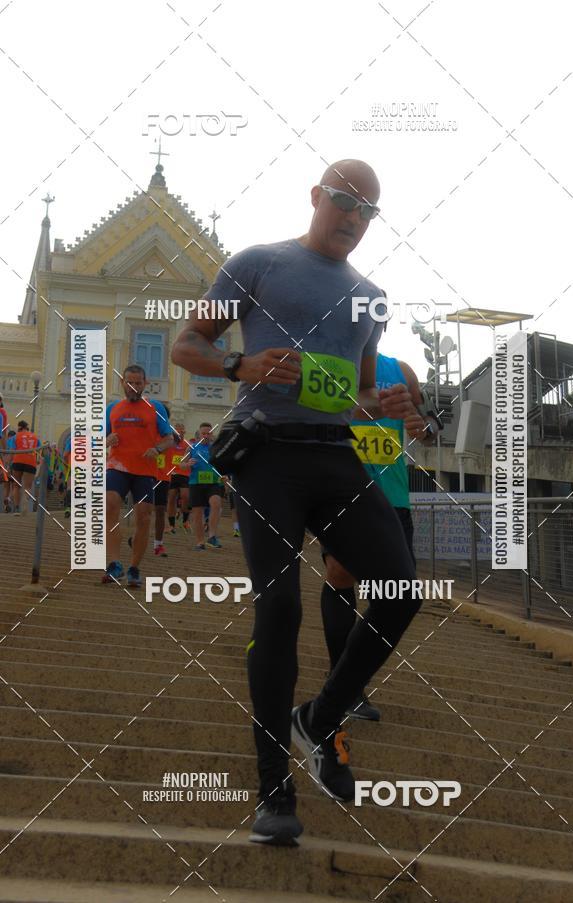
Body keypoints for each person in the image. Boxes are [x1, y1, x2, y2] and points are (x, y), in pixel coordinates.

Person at [172, 159, 427, 846]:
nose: (353, 216)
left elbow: (360, 395)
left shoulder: (371, 296)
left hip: (338, 457)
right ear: (316, 196)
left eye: (368, 209)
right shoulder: (257, 263)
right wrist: (240, 364)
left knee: (402, 589)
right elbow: (187, 344)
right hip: (268, 456)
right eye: (344, 200)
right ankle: (273, 789)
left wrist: (386, 401)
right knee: (280, 608)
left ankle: (319, 718)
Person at [321, 353, 441, 722]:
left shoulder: (401, 371)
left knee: (397, 595)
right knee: (340, 573)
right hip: (341, 488)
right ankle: (345, 687)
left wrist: (422, 426)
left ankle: (348, 676)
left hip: (393, 496)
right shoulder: (331, 359)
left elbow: (432, 425)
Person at [103, 365, 173, 587]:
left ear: (145, 383)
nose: (133, 387)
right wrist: (107, 440)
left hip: (144, 470)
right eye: (130, 382)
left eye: (138, 383)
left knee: (143, 516)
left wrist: (157, 449)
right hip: (117, 466)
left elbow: (169, 438)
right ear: (122, 382)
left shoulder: (156, 407)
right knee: (110, 504)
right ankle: (114, 563)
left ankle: (134, 568)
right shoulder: (112, 408)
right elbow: (99, 437)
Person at [188, 422, 225, 550]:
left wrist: (225, 474)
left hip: (213, 482)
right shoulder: (191, 448)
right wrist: (187, 464)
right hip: (196, 483)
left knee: (216, 503)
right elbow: (181, 464)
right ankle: (200, 542)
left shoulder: (216, 448)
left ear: (211, 434)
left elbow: (222, 463)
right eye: (203, 433)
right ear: (199, 434)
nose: (205, 436)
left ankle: (212, 536)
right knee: (197, 513)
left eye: (208, 433)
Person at [152, 403, 172, 557]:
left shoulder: (171, 436)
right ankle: (138, 537)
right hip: (144, 475)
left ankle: (158, 544)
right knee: (143, 511)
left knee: (160, 510)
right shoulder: (147, 431)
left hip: (163, 478)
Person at [166, 423, 191, 534]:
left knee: (185, 496)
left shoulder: (187, 444)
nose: (179, 434)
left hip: (184, 474)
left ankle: (185, 519)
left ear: (184, 432)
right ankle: (171, 525)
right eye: (176, 432)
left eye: (181, 431)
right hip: (172, 474)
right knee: (171, 498)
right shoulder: (169, 443)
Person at [11, 420, 39, 515]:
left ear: (19, 427)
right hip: (31, 461)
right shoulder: (35, 437)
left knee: (16, 485)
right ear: (27, 428)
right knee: (27, 487)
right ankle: (25, 499)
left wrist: (8, 464)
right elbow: (39, 451)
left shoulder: (15, 437)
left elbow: (12, 451)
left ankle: (16, 508)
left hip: (18, 460)